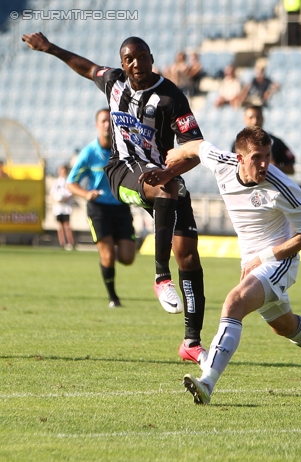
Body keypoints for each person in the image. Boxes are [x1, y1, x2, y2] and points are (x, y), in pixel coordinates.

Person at [23, 32, 208, 365]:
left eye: (142, 56)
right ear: (123, 63)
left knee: (190, 256)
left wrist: (168, 172)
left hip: (164, 175)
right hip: (122, 171)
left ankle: (192, 342)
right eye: (129, 59)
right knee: (167, 190)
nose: (136, 63)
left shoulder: (170, 97)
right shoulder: (114, 82)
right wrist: (49, 47)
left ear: (152, 58)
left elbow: (196, 149)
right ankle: (160, 277)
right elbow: (84, 67)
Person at [151, 126, 301, 405]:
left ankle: (207, 382)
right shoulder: (222, 164)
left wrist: (264, 257)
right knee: (283, 325)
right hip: (252, 262)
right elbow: (198, 146)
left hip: (279, 260)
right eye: (257, 157)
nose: (265, 163)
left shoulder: (285, 189)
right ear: (240, 158)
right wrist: (176, 155)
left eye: (268, 155)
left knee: (234, 302)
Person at [66, 108, 137, 308]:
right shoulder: (89, 153)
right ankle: (113, 298)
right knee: (107, 256)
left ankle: (109, 252)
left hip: (121, 208)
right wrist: (87, 194)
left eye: (110, 121)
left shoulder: (123, 150)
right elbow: (71, 182)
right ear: (97, 125)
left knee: (127, 257)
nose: (107, 124)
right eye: (103, 121)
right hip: (99, 210)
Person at [231, 105, 295, 174]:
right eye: (251, 118)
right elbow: (233, 168)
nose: (254, 121)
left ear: (263, 118)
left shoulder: (275, 142)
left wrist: (274, 168)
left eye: (258, 117)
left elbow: (291, 170)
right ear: (244, 119)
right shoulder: (238, 143)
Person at [50, 164, 75, 250]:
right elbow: (52, 194)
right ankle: (62, 243)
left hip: (66, 208)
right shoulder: (56, 182)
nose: (62, 172)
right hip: (58, 208)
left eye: (64, 170)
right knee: (60, 226)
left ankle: (71, 243)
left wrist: (64, 199)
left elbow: (72, 192)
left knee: (67, 225)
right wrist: (56, 200)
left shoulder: (69, 181)